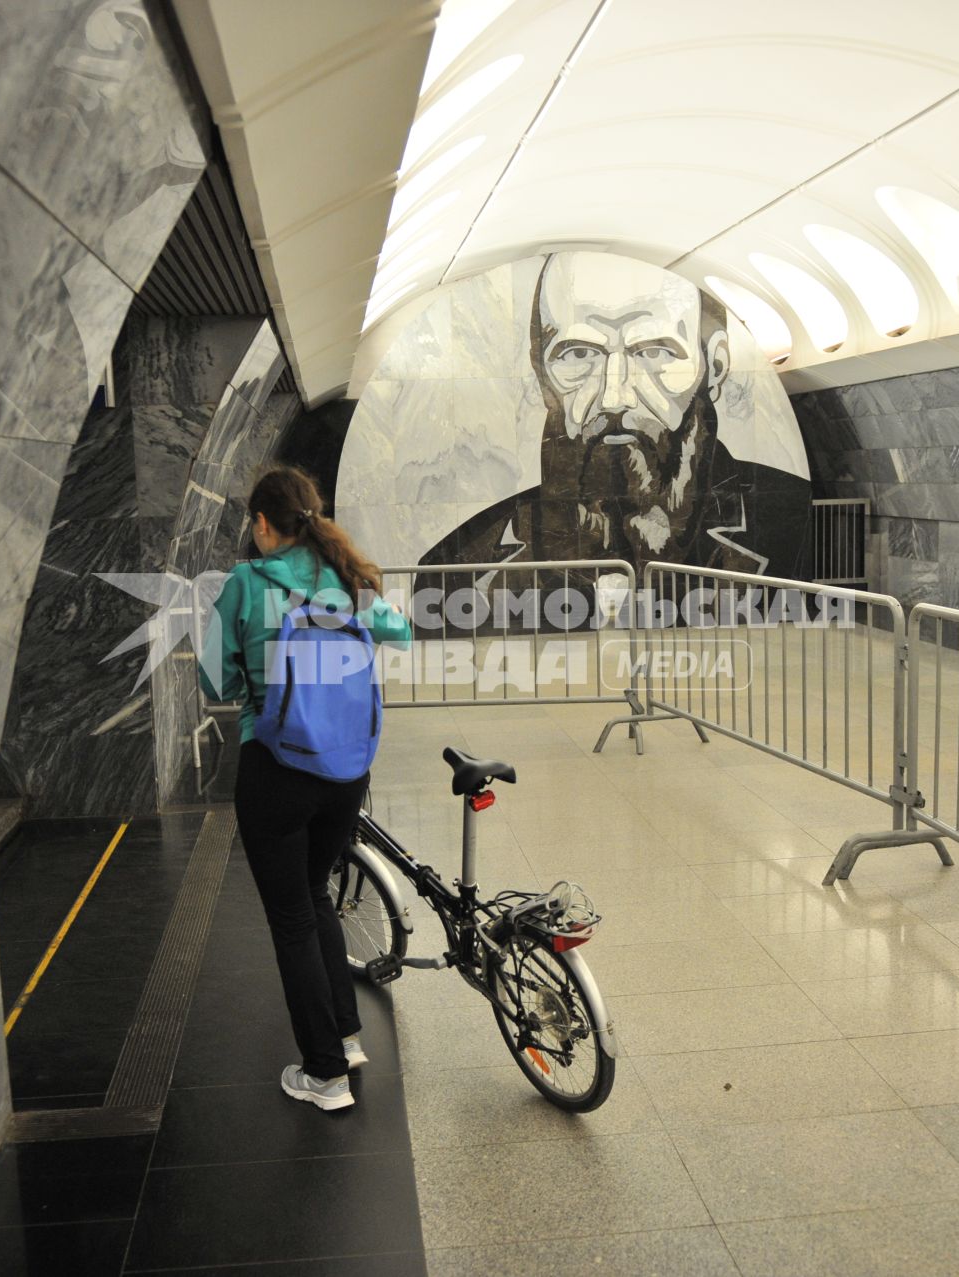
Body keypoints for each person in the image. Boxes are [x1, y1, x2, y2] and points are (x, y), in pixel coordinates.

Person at [201, 464, 412, 1112]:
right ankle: (345, 1036)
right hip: (347, 771)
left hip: (278, 770)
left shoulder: (247, 582)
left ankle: (324, 1075)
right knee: (314, 893)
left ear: (264, 524)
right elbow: (399, 630)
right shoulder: (345, 577)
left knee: (291, 916)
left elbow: (216, 682)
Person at [420, 252, 809, 577]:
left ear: (716, 365)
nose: (614, 396)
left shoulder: (787, 521)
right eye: (578, 354)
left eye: (654, 352)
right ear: (540, 374)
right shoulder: (462, 566)